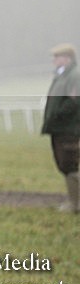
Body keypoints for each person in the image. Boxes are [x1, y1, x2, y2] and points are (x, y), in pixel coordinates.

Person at [41, 43, 80, 214]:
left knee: (69, 164)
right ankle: (74, 201)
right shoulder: (61, 76)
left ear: (67, 58)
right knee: (64, 164)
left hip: (68, 128)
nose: (54, 60)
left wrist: (57, 115)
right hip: (60, 128)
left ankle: (75, 204)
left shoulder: (74, 76)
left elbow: (74, 101)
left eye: (57, 57)